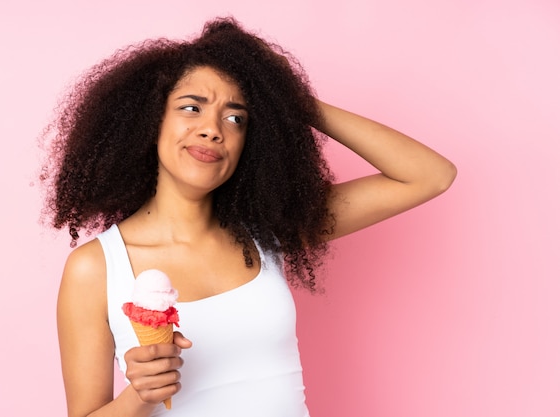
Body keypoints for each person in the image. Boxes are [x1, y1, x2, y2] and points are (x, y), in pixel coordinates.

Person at [41, 17, 456, 417]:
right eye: (191, 108)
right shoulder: (96, 268)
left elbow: (429, 176)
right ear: (150, 122)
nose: (213, 128)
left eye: (235, 117)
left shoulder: (266, 235)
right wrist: (140, 398)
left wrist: (289, 100)